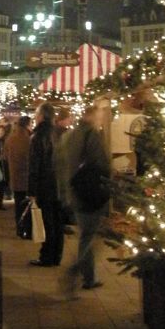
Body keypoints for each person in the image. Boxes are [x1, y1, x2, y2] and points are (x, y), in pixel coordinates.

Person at [62, 104, 111, 294]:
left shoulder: (71, 134)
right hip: (90, 191)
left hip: (75, 190)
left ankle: (89, 277)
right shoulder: (92, 134)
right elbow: (101, 164)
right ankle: (75, 271)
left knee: (86, 234)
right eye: (99, 115)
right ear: (92, 116)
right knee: (90, 235)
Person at [27, 102, 64, 267]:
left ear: (42, 116)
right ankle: (56, 255)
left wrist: (32, 190)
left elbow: (35, 165)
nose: (35, 117)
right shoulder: (58, 134)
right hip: (58, 184)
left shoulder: (38, 136)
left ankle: (47, 256)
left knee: (47, 221)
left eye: (36, 114)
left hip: (44, 184)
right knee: (57, 221)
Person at [4, 115, 31, 234]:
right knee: (27, 204)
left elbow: (5, 156)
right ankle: (26, 228)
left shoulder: (11, 138)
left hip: (15, 175)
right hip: (27, 176)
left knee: (18, 203)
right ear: (27, 125)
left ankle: (19, 227)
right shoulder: (29, 138)